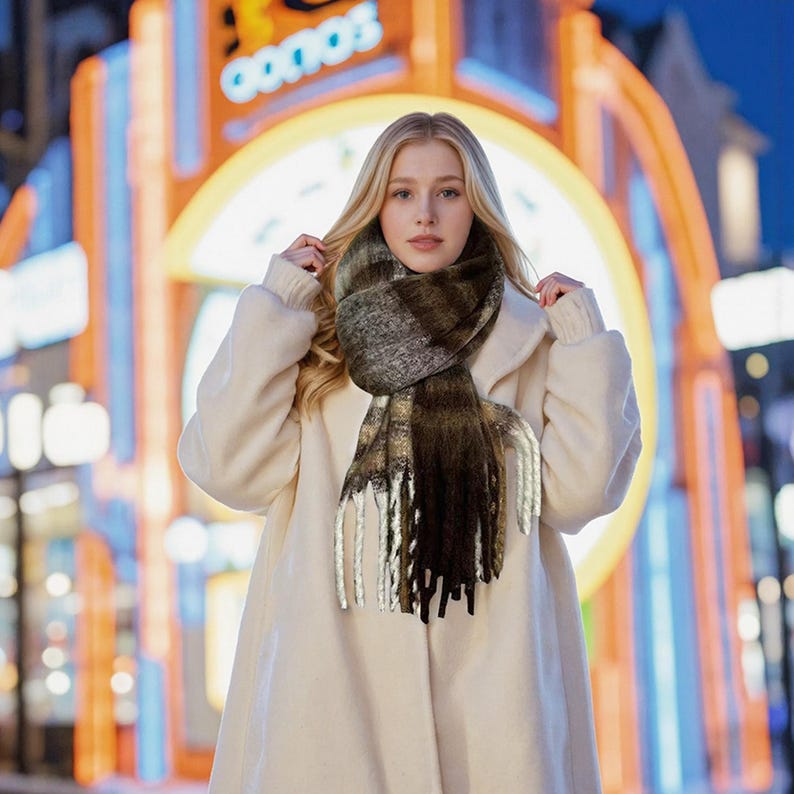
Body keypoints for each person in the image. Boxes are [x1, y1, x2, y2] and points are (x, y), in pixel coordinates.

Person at [178, 111, 642, 793]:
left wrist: (582, 345)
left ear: (476, 204)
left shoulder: (535, 339)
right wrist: (276, 307)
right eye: (402, 192)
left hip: (491, 700)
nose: (425, 212)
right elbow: (227, 466)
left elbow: (580, 494)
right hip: (334, 695)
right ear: (377, 203)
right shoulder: (322, 338)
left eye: (449, 192)